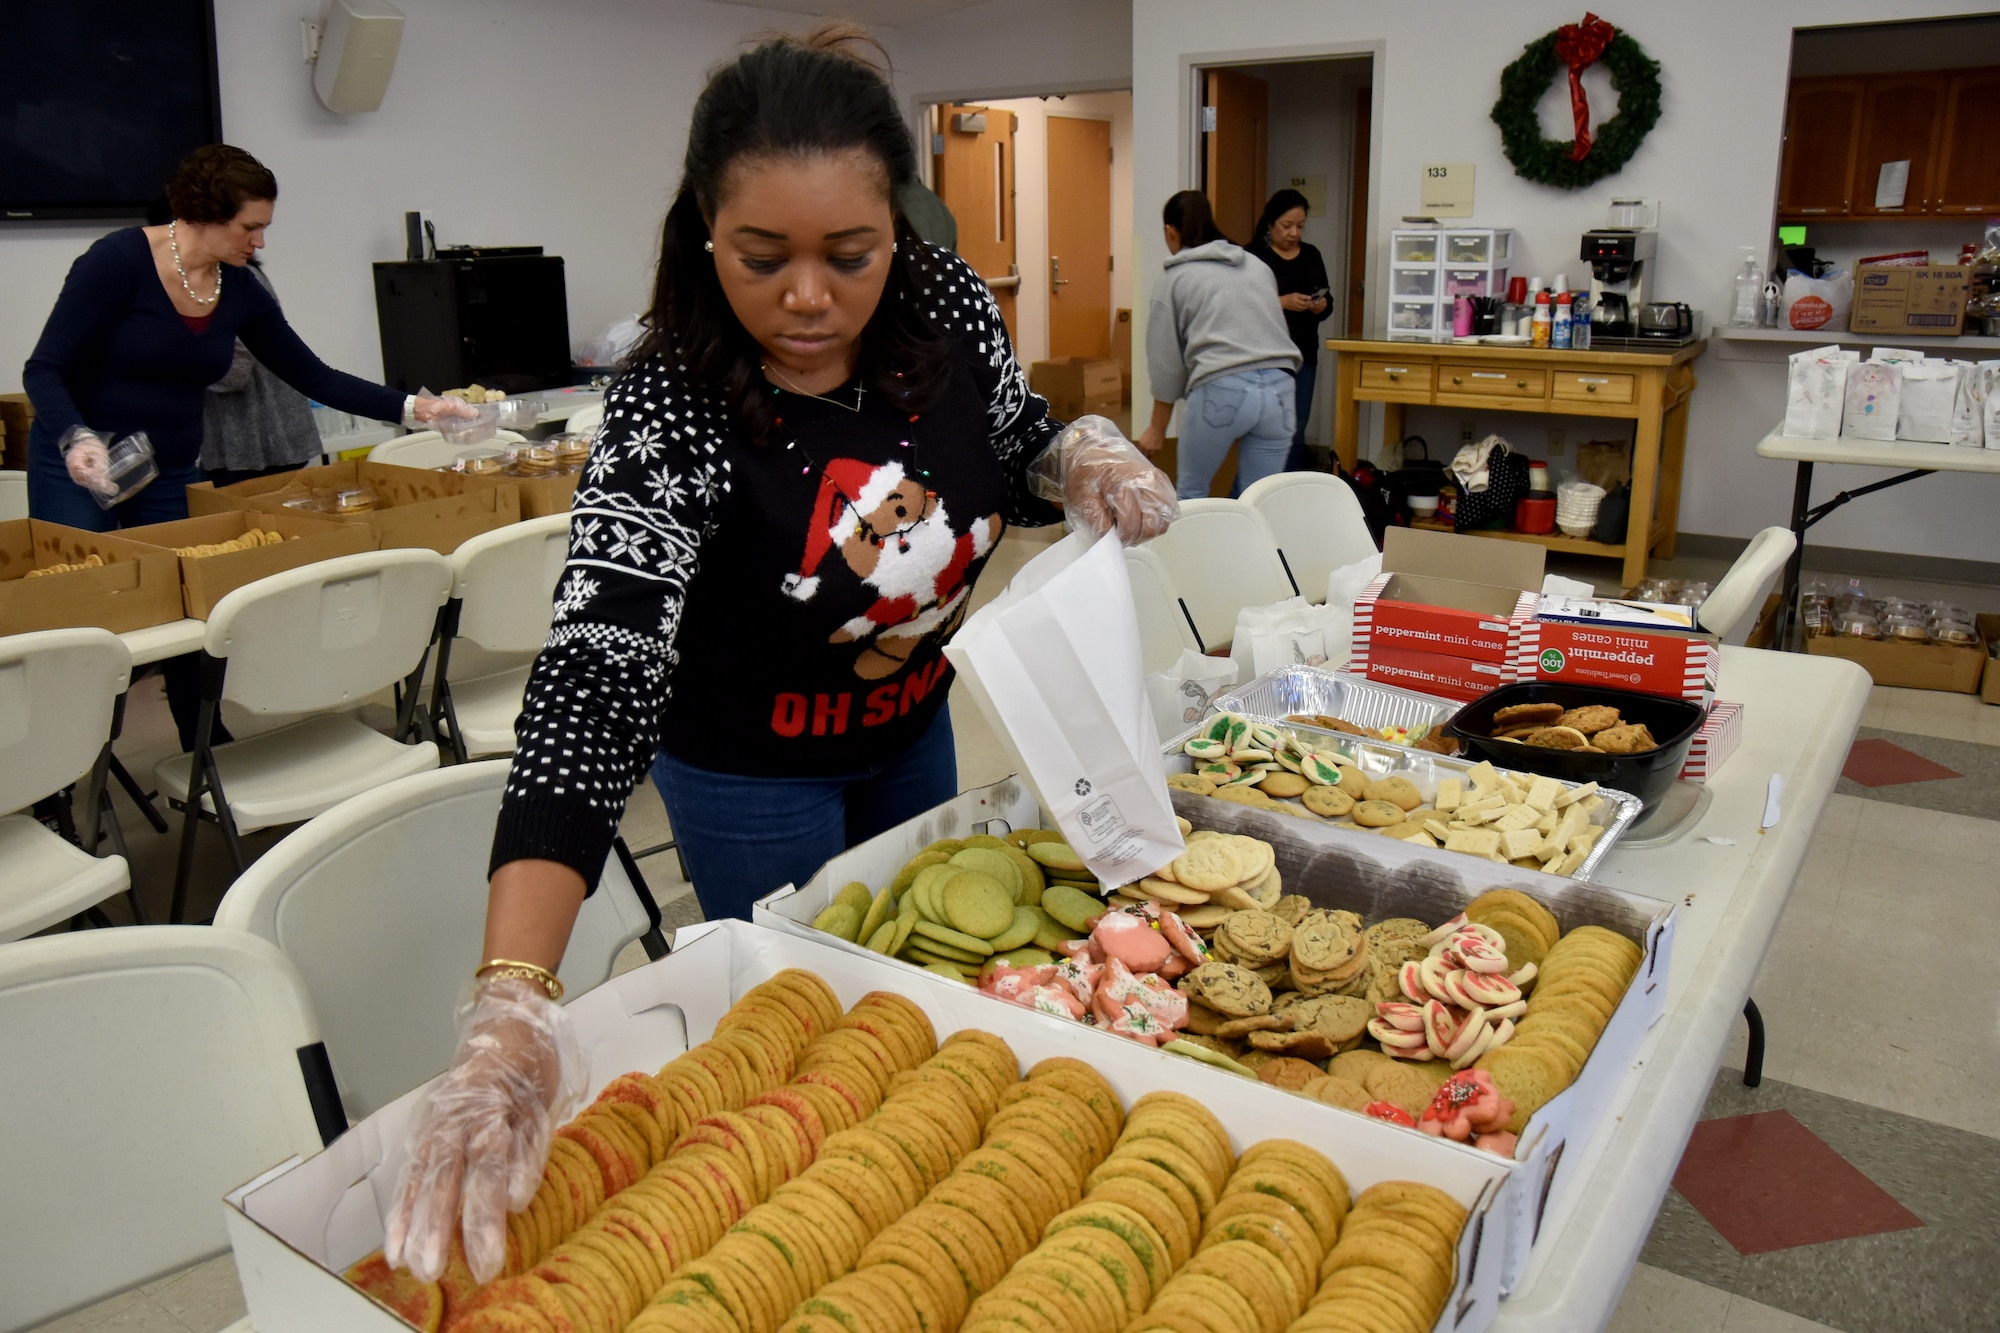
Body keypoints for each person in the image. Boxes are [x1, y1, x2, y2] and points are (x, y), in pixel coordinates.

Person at [382, 26, 1176, 1286]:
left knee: (928, 980)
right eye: (762, 259)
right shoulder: (668, 404)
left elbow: (1011, 440)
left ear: (897, 233)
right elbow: (597, 671)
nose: (806, 297)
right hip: (751, 768)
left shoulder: (947, 308)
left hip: (910, 726)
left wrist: (1074, 450)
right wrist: (512, 997)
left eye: (847, 257)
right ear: (706, 230)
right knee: (810, 1048)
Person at [21, 144, 471, 747]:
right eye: (250, 227)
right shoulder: (118, 261)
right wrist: (74, 437)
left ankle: (202, 743)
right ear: (204, 213)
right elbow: (44, 369)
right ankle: (61, 769)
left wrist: (420, 408)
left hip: (166, 467)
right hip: (76, 459)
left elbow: (314, 376)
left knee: (183, 603)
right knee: (80, 614)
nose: (259, 242)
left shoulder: (240, 288)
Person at [1136, 191, 1301, 499]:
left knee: (1192, 493)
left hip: (1222, 388)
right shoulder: (1257, 267)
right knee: (1260, 499)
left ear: (1170, 232)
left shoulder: (1174, 279)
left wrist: (1156, 429)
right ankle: (1253, 548)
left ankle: (1195, 549)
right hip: (1280, 389)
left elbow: (1165, 363)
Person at [202, 260, 328, 487]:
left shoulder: (234, 277)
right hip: (243, 440)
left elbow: (235, 367)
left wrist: (175, 368)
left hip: (256, 437)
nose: (258, 241)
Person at [1247, 188, 1332, 473]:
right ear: (1271, 223)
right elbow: (1241, 305)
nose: (1294, 233)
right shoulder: (1253, 256)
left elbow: (1329, 301)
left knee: (1297, 430)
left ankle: (1288, 488)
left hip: (1304, 354)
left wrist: (1322, 305)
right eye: (1287, 226)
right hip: (1264, 356)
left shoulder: (1311, 255)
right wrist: (1281, 302)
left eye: (1300, 226)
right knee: (1265, 430)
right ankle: (1259, 489)